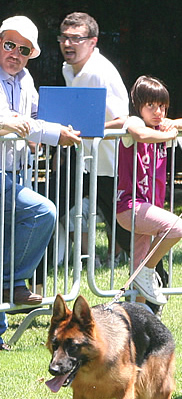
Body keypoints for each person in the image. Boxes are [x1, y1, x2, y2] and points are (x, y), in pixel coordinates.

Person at [0, 16, 81, 313]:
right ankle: (14, 280)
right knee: (43, 211)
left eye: (24, 50)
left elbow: (32, 117)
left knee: (5, 245)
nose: (15, 54)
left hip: (17, 173)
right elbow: (10, 121)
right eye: (10, 45)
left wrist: (58, 129)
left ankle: (0, 330)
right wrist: (50, 133)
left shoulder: (26, 80)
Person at [116, 76, 182, 305]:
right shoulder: (133, 122)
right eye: (151, 106)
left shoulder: (162, 127)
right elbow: (141, 134)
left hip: (148, 209)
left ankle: (139, 316)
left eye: (163, 106)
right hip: (131, 206)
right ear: (138, 105)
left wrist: (174, 123)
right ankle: (148, 270)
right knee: (177, 228)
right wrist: (168, 134)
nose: (158, 111)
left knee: (139, 273)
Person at [58, 12, 130, 262]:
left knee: (125, 229)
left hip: (110, 165)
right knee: (50, 210)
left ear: (93, 42)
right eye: (64, 38)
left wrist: (88, 130)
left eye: (76, 39)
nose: (68, 44)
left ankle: (156, 282)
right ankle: (31, 282)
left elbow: (123, 120)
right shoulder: (68, 69)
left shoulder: (101, 72)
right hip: (83, 161)